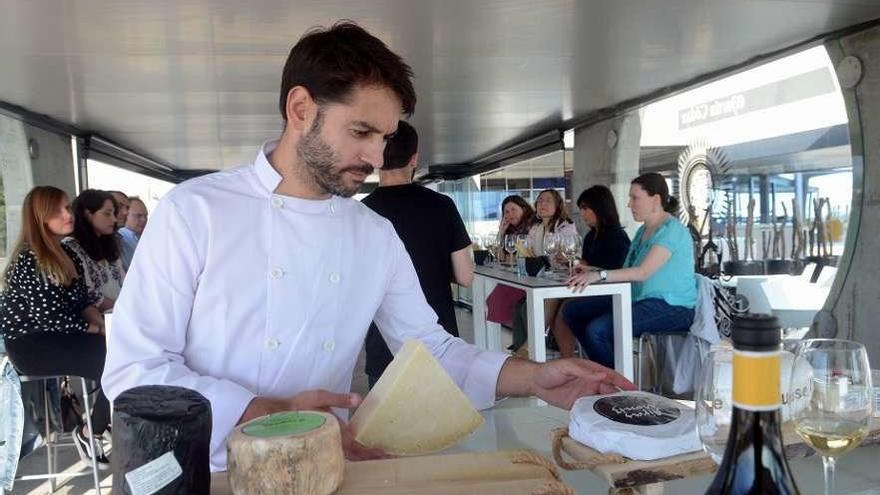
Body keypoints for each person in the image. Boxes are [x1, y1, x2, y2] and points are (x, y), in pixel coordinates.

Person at [102, 21, 634, 472]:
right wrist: (265, 412)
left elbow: (432, 349)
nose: (377, 158)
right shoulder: (195, 211)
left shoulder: (373, 233)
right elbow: (136, 369)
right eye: (361, 131)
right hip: (209, 469)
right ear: (300, 108)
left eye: (384, 137)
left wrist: (536, 378)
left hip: (326, 466)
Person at [0, 186, 110, 469]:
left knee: (126, 351)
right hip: (32, 345)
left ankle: (99, 424)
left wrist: (108, 326)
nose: (68, 213)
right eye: (59, 210)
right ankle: (91, 431)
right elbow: (48, 318)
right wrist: (95, 330)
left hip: (61, 337)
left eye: (67, 207)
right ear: (41, 217)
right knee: (119, 361)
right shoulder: (28, 258)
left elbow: (83, 302)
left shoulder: (66, 253)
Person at [361, 120, 473, 388]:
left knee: (385, 428)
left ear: (377, 158)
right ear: (415, 158)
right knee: (443, 426)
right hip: (439, 341)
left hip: (383, 344)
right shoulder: (442, 205)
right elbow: (465, 276)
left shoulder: (362, 213)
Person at [563, 173, 697, 369]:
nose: (629, 204)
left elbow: (642, 273)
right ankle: (605, 368)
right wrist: (592, 270)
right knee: (572, 311)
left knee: (597, 331)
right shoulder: (643, 231)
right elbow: (628, 271)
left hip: (672, 307)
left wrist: (599, 275)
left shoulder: (672, 230)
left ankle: (618, 385)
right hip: (638, 300)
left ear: (656, 200)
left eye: (635, 198)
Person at [551, 186, 631, 358]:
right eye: (581, 209)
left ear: (600, 208)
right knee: (557, 305)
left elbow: (617, 271)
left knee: (566, 310)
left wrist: (585, 267)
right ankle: (575, 359)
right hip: (591, 288)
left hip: (610, 293)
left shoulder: (617, 237)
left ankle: (572, 359)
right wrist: (572, 263)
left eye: (586, 208)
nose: (583, 213)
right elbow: (588, 263)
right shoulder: (591, 236)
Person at [506, 189, 579, 353]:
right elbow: (526, 252)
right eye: (539, 201)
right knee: (521, 306)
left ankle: (529, 349)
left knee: (535, 304)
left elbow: (570, 256)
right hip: (545, 281)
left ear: (557, 205)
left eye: (547, 201)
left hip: (565, 282)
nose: (542, 204)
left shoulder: (565, 225)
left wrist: (561, 257)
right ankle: (523, 350)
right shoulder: (536, 228)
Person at [63, 189, 126, 311]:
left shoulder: (109, 244)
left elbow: (125, 282)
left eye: (114, 213)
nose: (114, 219)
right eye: (107, 214)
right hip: (96, 322)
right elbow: (88, 294)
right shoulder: (71, 247)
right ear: (88, 214)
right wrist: (123, 309)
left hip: (119, 316)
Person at [485, 195, 536, 339]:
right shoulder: (511, 231)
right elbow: (500, 256)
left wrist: (509, 257)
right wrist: (501, 232)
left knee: (498, 300)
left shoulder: (533, 227)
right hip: (517, 277)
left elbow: (521, 256)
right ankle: (522, 341)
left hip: (529, 278)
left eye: (513, 209)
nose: (510, 214)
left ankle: (524, 341)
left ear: (524, 209)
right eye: (506, 212)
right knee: (494, 301)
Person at [118, 196, 148, 270]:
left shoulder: (146, 238)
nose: (144, 219)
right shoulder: (120, 239)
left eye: (146, 215)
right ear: (126, 215)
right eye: (138, 215)